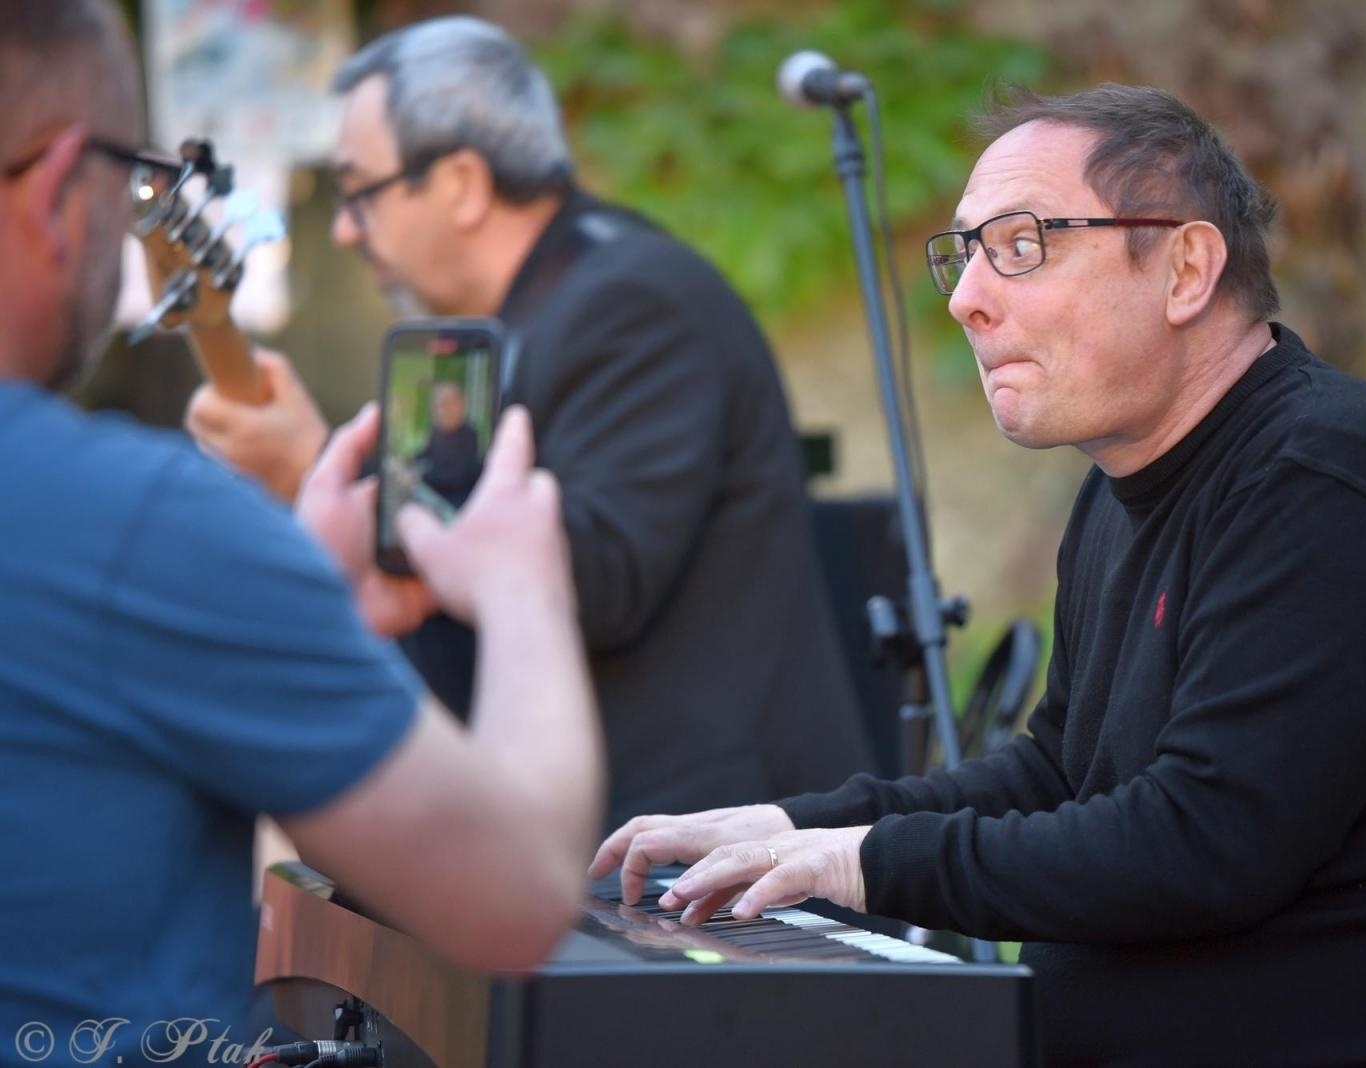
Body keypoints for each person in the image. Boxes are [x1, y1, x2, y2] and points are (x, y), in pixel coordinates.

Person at [591, 84, 1366, 1066]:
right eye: (963, 255)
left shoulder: (1322, 475)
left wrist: (858, 864)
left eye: (1020, 245)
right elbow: (1062, 776)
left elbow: (1204, 845)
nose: (966, 299)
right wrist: (795, 828)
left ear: (1185, 269)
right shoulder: (1121, 490)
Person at [0, 1, 603, 1056]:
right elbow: (515, 901)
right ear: (58, 188)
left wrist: (294, 587)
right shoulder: (144, 527)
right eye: (131, 180)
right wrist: (521, 585)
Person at [186, 16, 873, 828]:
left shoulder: (635, 302)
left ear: (462, 183)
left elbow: (596, 582)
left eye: (359, 192)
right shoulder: (530, 316)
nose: (342, 228)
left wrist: (320, 472)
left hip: (712, 847)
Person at [411, 379, 481, 508]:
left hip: (457, 502)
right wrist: (408, 464)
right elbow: (426, 453)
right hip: (434, 497)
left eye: (447, 404)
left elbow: (455, 476)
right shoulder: (436, 431)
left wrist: (420, 476)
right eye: (438, 405)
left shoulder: (469, 435)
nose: (443, 410)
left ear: (461, 406)